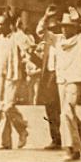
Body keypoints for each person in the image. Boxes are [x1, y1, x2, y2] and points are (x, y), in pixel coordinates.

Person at [37, 6, 81, 162]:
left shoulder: (80, 39)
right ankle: (77, 138)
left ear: (74, 28)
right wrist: (45, 17)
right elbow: (40, 32)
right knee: (66, 113)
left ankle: (72, 149)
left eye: (68, 27)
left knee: (66, 113)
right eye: (62, 27)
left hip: (75, 80)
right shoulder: (57, 39)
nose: (64, 30)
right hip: (61, 80)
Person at [0, 15, 28, 150]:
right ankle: (5, 142)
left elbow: (28, 46)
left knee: (8, 106)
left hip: (12, 75)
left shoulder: (16, 37)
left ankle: (22, 129)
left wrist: (18, 29)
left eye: (1, 24)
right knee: (0, 109)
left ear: (9, 25)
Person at [36, 16, 62, 150]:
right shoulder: (47, 43)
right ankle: (56, 139)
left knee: (64, 109)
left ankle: (78, 128)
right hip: (48, 77)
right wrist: (45, 17)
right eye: (50, 29)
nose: (52, 31)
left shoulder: (63, 41)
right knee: (51, 109)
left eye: (54, 28)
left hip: (60, 77)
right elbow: (39, 30)